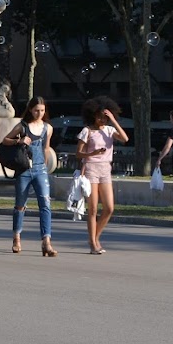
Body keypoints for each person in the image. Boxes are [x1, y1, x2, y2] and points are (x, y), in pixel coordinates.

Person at [0, 96, 57, 256]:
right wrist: (18, 141)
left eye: (42, 110)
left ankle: (46, 241)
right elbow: (4, 140)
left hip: (40, 169)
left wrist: (45, 167)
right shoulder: (23, 126)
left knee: (45, 204)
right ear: (30, 110)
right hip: (24, 170)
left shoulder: (48, 128)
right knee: (20, 205)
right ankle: (16, 238)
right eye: (36, 110)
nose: (39, 113)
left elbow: (46, 148)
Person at [77, 96, 129, 254]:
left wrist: (113, 120)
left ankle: (95, 237)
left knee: (109, 208)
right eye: (100, 116)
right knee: (92, 209)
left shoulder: (109, 130)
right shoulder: (87, 131)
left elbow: (125, 139)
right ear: (93, 115)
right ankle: (93, 243)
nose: (102, 120)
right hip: (91, 168)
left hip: (105, 169)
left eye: (105, 117)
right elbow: (78, 154)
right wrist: (93, 152)